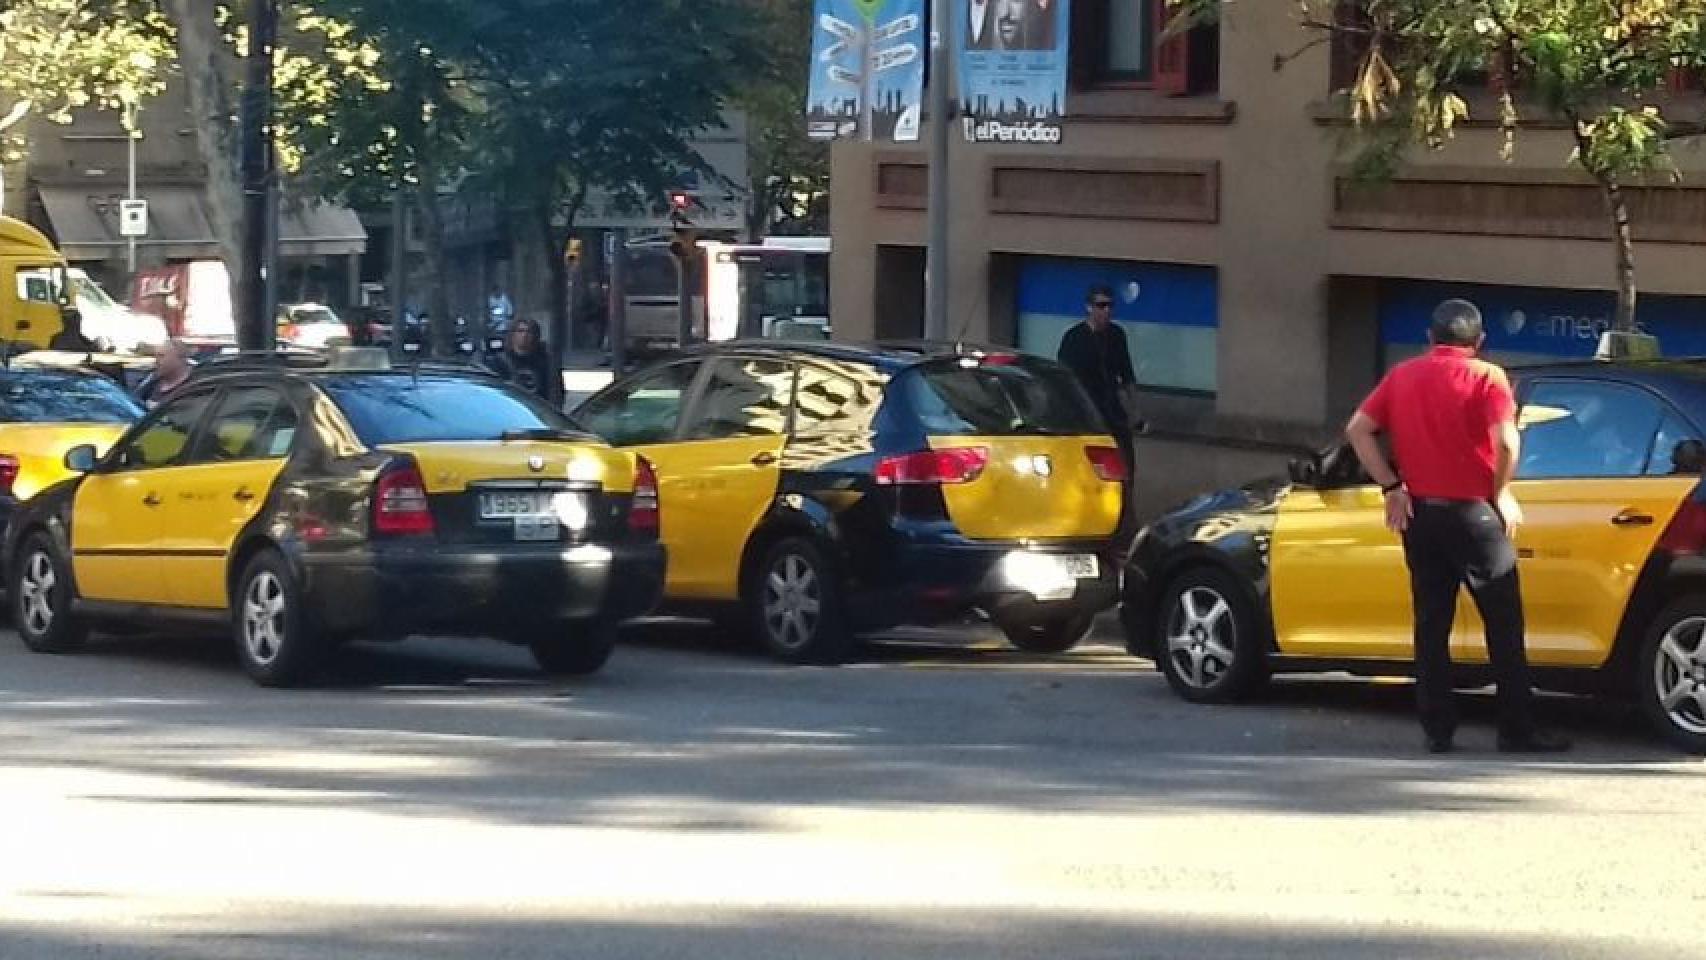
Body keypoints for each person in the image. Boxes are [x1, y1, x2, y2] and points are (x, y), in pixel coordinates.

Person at [1345, 298, 1570, 755]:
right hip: (1474, 513)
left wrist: (1392, 486)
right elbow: (1507, 440)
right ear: (1479, 341)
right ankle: (1515, 728)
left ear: (1430, 339)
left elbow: (1358, 430)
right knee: (1503, 624)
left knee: (1431, 624)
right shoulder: (1487, 377)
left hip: (1421, 514)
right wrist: (1502, 491)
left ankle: (1437, 728)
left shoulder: (1402, 375)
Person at [1056, 285, 1137, 472]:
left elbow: (1126, 374)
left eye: (1110, 306)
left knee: (1125, 466)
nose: (1107, 311)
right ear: (1089, 307)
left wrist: (1135, 411)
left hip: (1113, 412)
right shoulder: (1074, 338)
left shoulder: (1116, 335)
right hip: (1087, 412)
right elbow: (1066, 378)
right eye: (1101, 306)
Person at [489, 319, 558, 405]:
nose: (525, 335)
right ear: (513, 335)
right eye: (520, 331)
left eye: (529, 332)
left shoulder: (545, 362)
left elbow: (554, 392)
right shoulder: (498, 362)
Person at [135, 339, 192, 408]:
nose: (156, 361)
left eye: (161, 356)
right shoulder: (153, 379)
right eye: (156, 356)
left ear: (181, 359)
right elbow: (135, 401)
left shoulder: (192, 388)